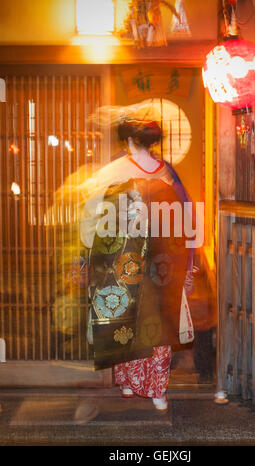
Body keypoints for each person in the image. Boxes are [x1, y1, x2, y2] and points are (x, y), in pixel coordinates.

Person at [76, 104, 194, 422]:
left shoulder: (113, 173)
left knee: (123, 322)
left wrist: (87, 255)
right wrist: (189, 264)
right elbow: (186, 221)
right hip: (163, 265)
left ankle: (129, 383)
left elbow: (90, 217)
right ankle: (156, 391)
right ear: (153, 142)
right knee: (157, 329)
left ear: (127, 140)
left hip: (122, 262)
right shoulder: (168, 173)